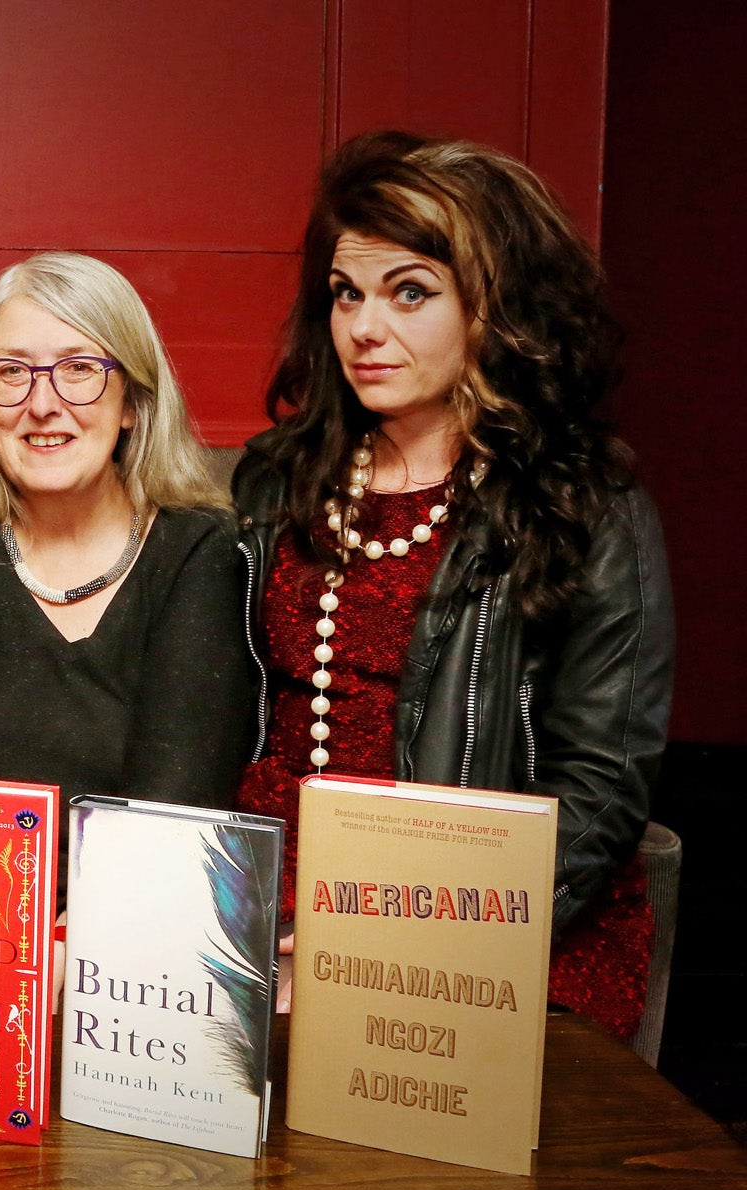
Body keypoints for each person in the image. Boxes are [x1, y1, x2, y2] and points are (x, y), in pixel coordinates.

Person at [233, 132, 673, 1039]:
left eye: (410, 292)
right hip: (274, 901)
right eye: (346, 293)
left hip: (488, 923)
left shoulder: (585, 503)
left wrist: (401, 952)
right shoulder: (279, 479)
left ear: (496, 306)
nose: (362, 326)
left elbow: (598, 788)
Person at [0, 253, 252, 836]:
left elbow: (181, 785)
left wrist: (98, 912)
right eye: (11, 372)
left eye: (78, 369)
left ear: (131, 401)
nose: (43, 403)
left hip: (138, 897)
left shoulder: (198, 545)